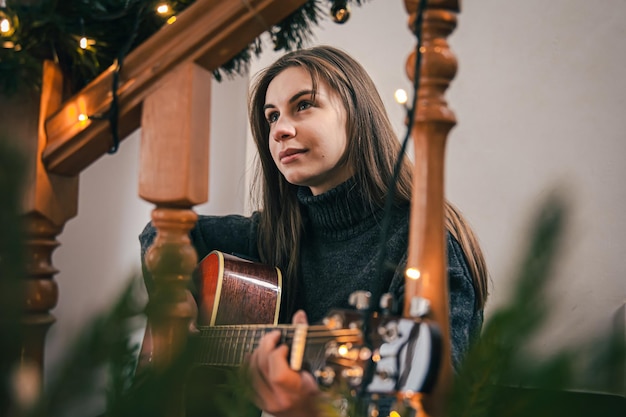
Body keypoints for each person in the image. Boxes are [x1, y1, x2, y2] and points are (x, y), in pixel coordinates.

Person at [139, 45, 488, 417]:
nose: (280, 130)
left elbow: (432, 405)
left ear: (357, 114)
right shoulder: (276, 233)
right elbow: (163, 235)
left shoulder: (426, 249)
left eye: (303, 105)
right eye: (271, 116)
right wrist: (172, 312)